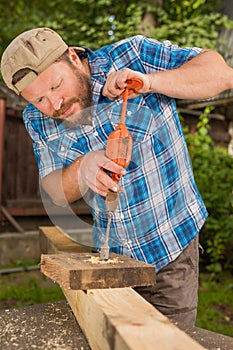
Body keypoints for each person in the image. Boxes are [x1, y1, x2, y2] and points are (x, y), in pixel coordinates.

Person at [1, 27, 233, 326]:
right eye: (40, 100)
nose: (54, 104)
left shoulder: (132, 56)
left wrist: (150, 82)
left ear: (73, 57)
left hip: (172, 248)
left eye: (56, 86)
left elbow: (221, 73)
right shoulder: (36, 120)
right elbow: (54, 190)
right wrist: (82, 168)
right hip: (112, 255)